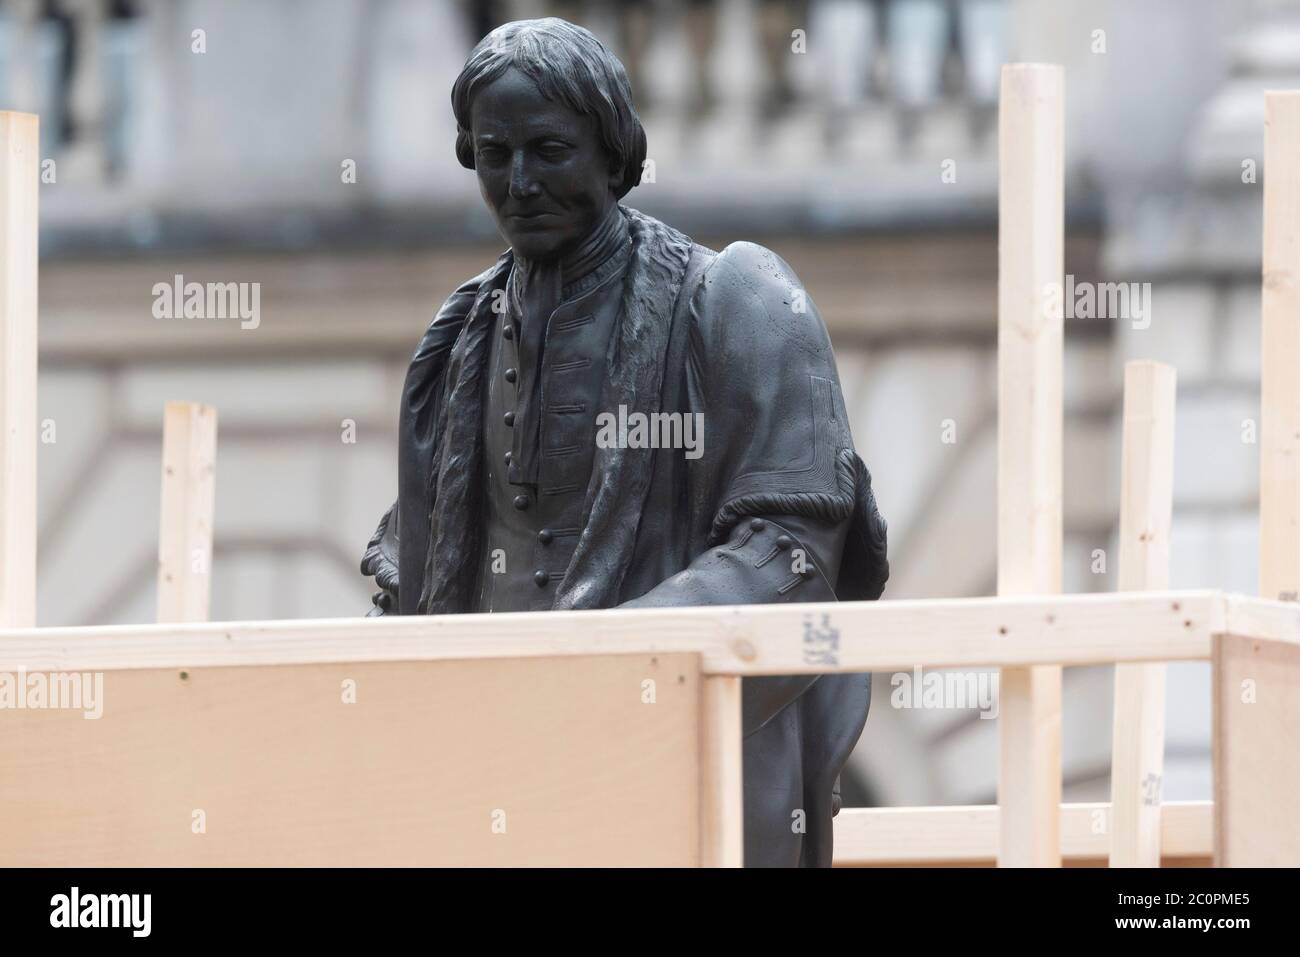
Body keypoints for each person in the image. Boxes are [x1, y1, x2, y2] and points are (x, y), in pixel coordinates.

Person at [361, 17, 888, 867]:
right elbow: (422, 593)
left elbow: (791, 555)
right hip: (502, 786)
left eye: (550, 150)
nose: (521, 182)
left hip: (690, 768)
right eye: (495, 155)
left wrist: (606, 659)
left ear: (613, 154)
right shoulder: (457, 342)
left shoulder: (738, 299)